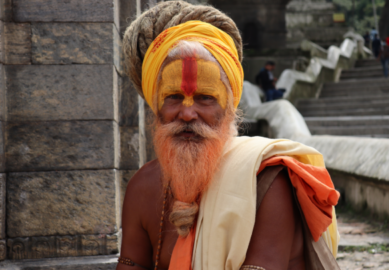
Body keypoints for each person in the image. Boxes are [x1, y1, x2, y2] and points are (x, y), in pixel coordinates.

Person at [119, 2, 341, 270]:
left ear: (229, 108)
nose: (188, 113)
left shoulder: (266, 180)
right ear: (156, 108)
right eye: (174, 97)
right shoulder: (142, 188)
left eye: (205, 98)